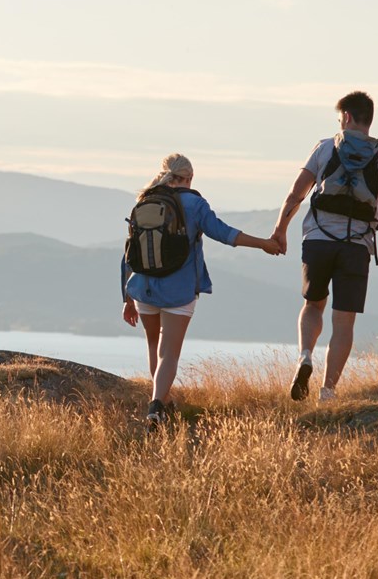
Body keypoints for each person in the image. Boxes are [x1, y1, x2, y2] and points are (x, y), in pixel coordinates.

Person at [121, 153, 283, 427]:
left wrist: (126, 297)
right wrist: (264, 244)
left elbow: (128, 254)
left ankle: (164, 403)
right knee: (169, 354)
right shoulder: (195, 204)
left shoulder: (145, 200)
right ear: (189, 178)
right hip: (178, 290)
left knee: (154, 347)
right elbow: (224, 233)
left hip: (142, 288)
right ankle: (156, 406)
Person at [269, 91, 378, 403]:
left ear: (346, 117)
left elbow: (296, 194)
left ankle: (305, 356)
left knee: (313, 305)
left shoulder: (324, 147)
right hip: (356, 247)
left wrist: (280, 230)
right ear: (369, 119)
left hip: (317, 241)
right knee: (343, 321)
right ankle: (328, 392)